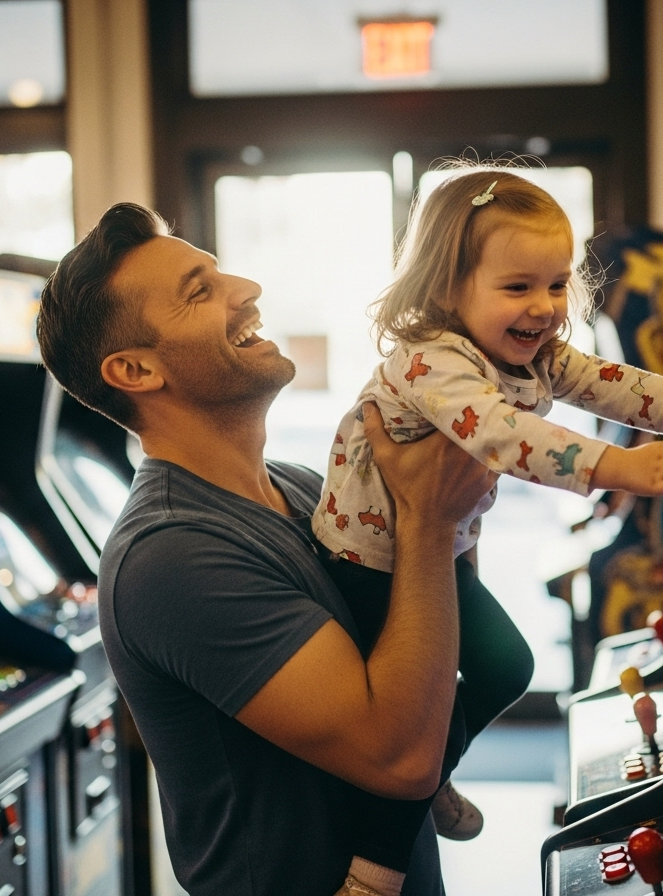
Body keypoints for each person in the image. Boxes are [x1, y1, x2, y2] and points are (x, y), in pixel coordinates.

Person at [313, 168, 663, 892]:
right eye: (518, 287)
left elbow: (620, 383)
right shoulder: (433, 360)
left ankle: (433, 771)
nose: (545, 307)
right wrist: (624, 468)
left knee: (506, 668)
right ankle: (373, 870)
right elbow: (502, 436)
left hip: (437, 553)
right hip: (367, 561)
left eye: (556, 284)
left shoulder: (533, 353)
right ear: (446, 287)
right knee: (416, 724)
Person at [36, 202, 498, 896]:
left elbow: (428, 647)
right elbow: (399, 758)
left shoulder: (301, 486)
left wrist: (454, 498)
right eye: (200, 290)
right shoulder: (171, 557)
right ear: (135, 370)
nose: (246, 289)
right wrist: (428, 523)